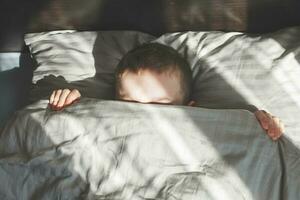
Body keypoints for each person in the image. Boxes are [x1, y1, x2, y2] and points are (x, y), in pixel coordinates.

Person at [48, 43, 284, 140]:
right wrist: (74, 106)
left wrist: (259, 126)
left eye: (160, 105)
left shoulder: (207, 127)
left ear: (190, 109)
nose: (144, 114)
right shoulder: (102, 112)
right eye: (131, 104)